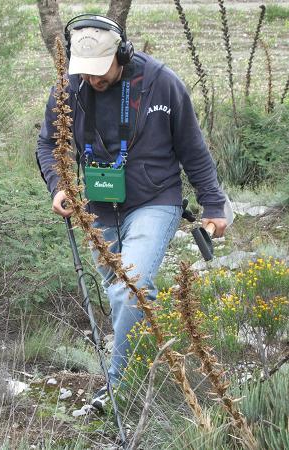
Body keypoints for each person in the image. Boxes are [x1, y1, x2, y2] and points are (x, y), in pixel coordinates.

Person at [36, 14, 228, 411]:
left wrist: (213, 205)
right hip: (99, 208)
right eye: (84, 72)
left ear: (121, 53)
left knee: (131, 287)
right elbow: (48, 144)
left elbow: (193, 149)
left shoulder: (162, 83)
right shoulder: (69, 87)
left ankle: (118, 392)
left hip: (155, 200)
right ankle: (149, 373)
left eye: (100, 71)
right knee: (123, 298)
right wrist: (59, 187)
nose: (92, 80)